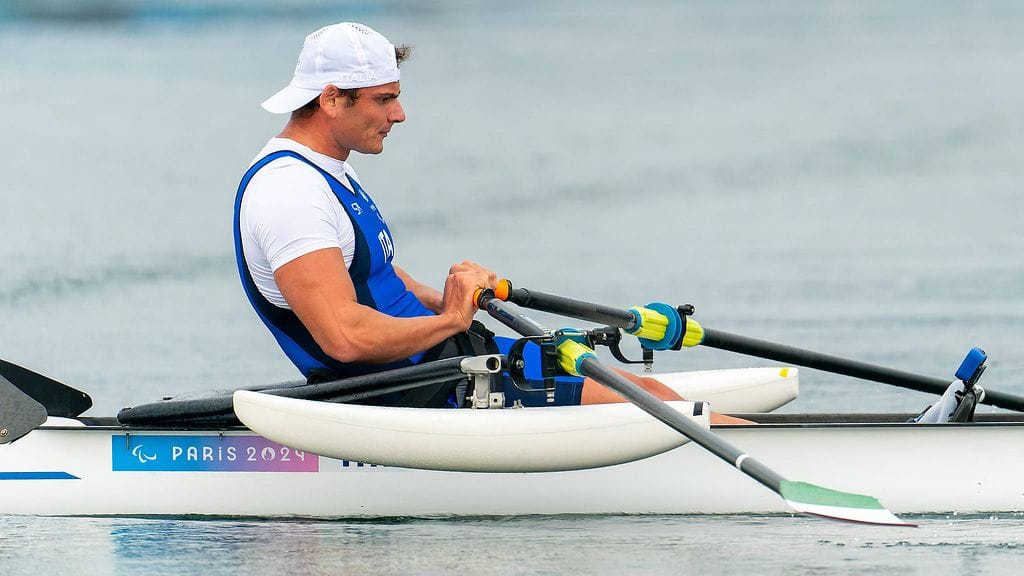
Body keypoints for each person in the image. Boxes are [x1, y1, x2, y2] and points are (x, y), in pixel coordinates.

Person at [234, 22, 745, 422]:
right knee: (651, 406)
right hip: (416, 391)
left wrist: (451, 299)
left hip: (441, 361)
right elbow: (344, 337)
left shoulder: (327, 172)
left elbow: (371, 276)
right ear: (330, 99)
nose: (400, 114)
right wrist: (451, 320)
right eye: (384, 99)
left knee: (648, 392)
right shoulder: (289, 192)